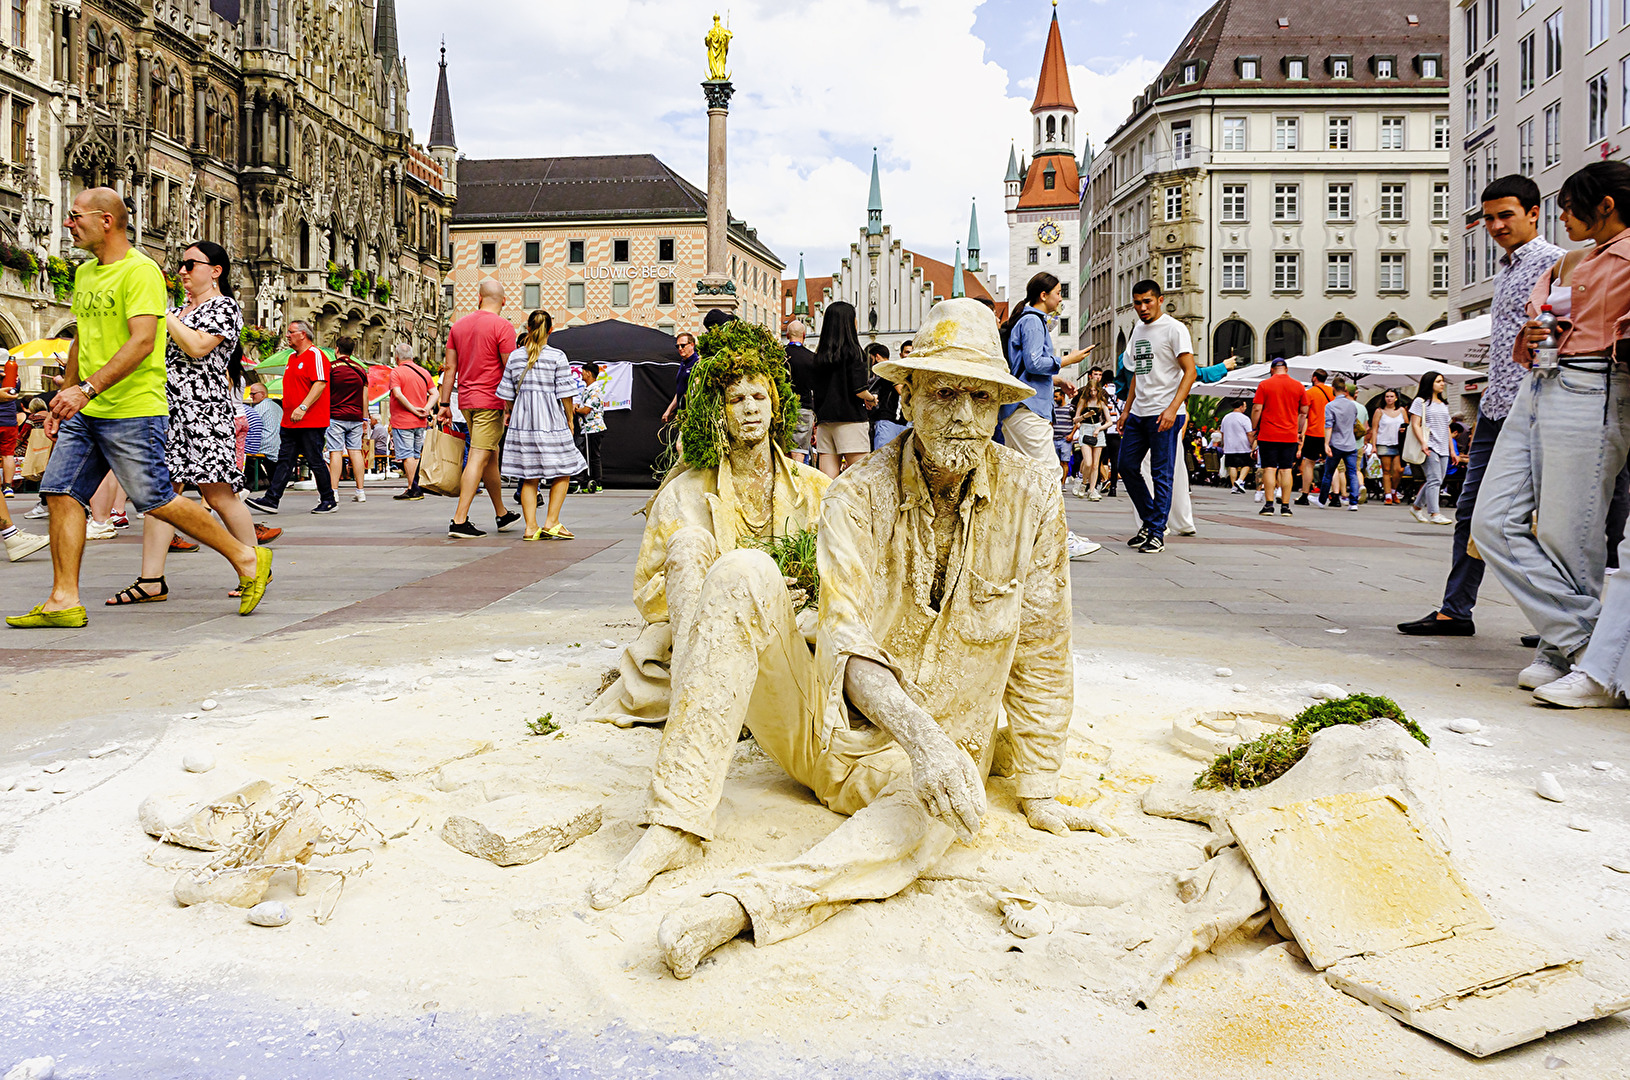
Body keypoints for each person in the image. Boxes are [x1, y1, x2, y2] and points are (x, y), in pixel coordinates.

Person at [587, 298, 1112, 979]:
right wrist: (918, 736)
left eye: (982, 400)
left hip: (939, 765)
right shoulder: (856, 493)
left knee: (940, 813)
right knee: (742, 571)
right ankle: (677, 822)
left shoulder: (1033, 492)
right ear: (909, 394)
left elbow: (1043, 642)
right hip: (829, 736)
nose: (962, 417)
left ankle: (746, 906)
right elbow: (843, 635)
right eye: (945, 393)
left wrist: (1037, 783)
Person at [8, 188, 270, 629]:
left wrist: (85, 389)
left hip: (133, 406)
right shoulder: (86, 274)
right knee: (58, 493)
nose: (69, 224)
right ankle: (63, 599)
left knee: (160, 499)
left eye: (76, 216)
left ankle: (246, 556)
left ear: (106, 221)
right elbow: (82, 341)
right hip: (91, 407)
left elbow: (144, 342)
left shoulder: (142, 272)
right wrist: (64, 396)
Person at [585, 321, 829, 730]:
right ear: (718, 411)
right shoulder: (683, 493)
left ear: (776, 405)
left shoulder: (816, 488)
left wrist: (792, 589)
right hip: (708, 632)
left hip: (793, 629)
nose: (750, 409)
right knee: (689, 546)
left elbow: (841, 575)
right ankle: (702, 701)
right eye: (736, 399)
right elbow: (649, 594)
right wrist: (728, 582)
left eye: (758, 396)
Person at [1475, 161, 1630, 704]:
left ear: (1605, 205)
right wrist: (1531, 337)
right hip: (1537, 383)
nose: (1561, 217)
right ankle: (1586, 647)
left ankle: (1566, 652)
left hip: (1594, 385)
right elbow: (1534, 328)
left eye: (1569, 206)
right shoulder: (1566, 261)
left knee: (1571, 533)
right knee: (1491, 520)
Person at [104, 239, 263, 606]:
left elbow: (196, 347)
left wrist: (164, 314)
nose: (182, 271)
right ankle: (151, 579)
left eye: (190, 265)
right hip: (167, 407)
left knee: (218, 493)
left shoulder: (224, 307)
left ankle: (253, 566)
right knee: (162, 494)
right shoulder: (178, 309)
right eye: (181, 265)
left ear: (215, 270)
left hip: (204, 409)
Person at [1117, 280, 1197, 553]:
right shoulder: (1138, 329)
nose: (1142, 308)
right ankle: (1152, 521)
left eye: (1147, 301)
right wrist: (1126, 409)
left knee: (1161, 473)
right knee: (1126, 466)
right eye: (1137, 303)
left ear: (1159, 300)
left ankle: (1156, 534)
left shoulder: (1175, 329)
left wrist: (1173, 409)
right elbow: (1138, 374)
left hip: (1165, 411)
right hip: (1139, 412)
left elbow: (1190, 372)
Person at [439, 279, 520, 538]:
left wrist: (443, 404)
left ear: (479, 297)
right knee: (478, 456)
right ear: (504, 301)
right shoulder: (503, 326)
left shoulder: (458, 326)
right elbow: (511, 368)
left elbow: (450, 368)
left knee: (490, 456)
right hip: (490, 400)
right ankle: (459, 519)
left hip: (466, 401)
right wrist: (514, 403)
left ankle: (501, 513)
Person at [497, 310, 584, 541]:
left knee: (529, 475)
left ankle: (530, 527)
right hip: (550, 420)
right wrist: (570, 419)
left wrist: (514, 411)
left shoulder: (515, 356)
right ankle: (551, 521)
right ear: (551, 330)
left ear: (528, 329)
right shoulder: (557, 356)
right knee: (564, 470)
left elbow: (506, 394)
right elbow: (566, 394)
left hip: (523, 422)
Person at [246, 321, 336, 515]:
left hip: (310, 420)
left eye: (291, 332)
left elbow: (320, 383)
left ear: (303, 334)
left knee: (314, 459)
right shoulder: (293, 359)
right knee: (285, 460)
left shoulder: (315, 355)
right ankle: (272, 499)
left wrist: (303, 407)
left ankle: (328, 498)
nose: (287, 336)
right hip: (290, 420)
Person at [1000, 273, 1091, 461]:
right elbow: (1034, 363)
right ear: (1043, 295)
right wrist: (1068, 359)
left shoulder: (1027, 319)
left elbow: (1026, 367)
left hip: (1019, 409)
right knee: (1048, 471)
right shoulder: (1033, 321)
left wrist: (1057, 381)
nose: (1060, 298)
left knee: (1021, 476)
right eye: (1058, 293)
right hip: (1028, 409)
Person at [812, 300, 875, 476]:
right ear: (849, 323)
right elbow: (859, 390)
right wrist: (871, 399)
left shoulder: (820, 356)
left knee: (827, 481)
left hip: (826, 421)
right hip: (851, 420)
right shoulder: (854, 352)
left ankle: (827, 505)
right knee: (859, 478)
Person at [1251, 358, 1310, 517]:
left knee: (1269, 468)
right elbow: (1304, 411)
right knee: (1286, 469)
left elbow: (1257, 408)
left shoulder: (1264, 385)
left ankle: (1269, 505)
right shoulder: (1298, 386)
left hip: (1268, 433)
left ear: (1271, 370)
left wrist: (1254, 427)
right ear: (1286, 369)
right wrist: (1298, 429)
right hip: (1289, 435)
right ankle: (1285, 507)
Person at [324, 336, 370, 504]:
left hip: (335, 415)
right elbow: (365, 396)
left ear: (337, 349)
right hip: (356, 416)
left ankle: (334, 491)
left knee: (335, 452)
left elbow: (324, 391)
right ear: (352, 351)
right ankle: (360, 491)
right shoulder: (360, 370)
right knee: (355, 452)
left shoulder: (331, 368)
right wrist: (365, 417)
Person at [388, 342, 436, 500]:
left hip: (403, 420)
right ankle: (415, 485)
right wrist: (426, 408)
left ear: (396, 357)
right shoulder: (423, 372)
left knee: (407, 455)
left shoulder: (396, 372)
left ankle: (413, 487)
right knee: (416, 454)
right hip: (420, 421)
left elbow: (397, 393)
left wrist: (412, 408)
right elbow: (434, 394)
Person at [1408, 373, 1453, 525]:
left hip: (1443, 447)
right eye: (1438, 381)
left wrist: (1452, 450)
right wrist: (1423, 443)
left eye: (1443, 381)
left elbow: (1447, 428)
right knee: (1434, 480)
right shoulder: (1420, 402)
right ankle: (1435, 513)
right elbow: (1415, 424)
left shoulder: (1443, 404)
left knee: (1436, 480)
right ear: (1430, 383)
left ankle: (1416, 507)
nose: (1442, 384)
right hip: (1429, 445)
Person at [1319, 376, 1366, 511]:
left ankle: (1322, 500)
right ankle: (1353, 502)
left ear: (1333, 389)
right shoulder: (1352, 405)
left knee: (1329, 472)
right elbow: (1353, 423)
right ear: (1345, 389)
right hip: (1351, 443)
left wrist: (1326, 443)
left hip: (1336, 443)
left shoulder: (1330, 406)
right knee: (1352, 472)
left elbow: (1329, 425)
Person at [783, 320, 817, 464]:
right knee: (799, 454)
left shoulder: (779, 356)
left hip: (782, 409)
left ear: (787, 335)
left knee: (783, 453)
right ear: (804, 335)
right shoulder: (812, 358)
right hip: (804, 408)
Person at [1072, 377, 1109, 499]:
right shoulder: (1083, 401)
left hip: (1097, 430)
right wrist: (1084, 416)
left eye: (1095, 391)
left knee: (1095, 464)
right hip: (1085, 429)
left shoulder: (1101, 402)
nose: (1093, 393)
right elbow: (1075, 419)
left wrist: (1099, 429)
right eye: (1091, 390)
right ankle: (1082, 482)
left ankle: (1092, 490)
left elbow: (1109, 422)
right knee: (1087, 462)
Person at [867, 343, 910, 449]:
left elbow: (900, 390)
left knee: (882, 458)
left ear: (876, 357)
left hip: (888, 421)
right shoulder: (895, 370)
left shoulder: (889, 370)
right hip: (900, 421)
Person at [1369, 389, 1408, 504]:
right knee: (1386, 471)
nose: (1389, 399)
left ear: (1396, 398)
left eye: (1391, 396)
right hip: (1384, 442)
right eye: (1387, 396)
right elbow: (1374, 429)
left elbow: (1407, 425)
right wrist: (1374, 445)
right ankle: (1388, 496)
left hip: (1398, 443)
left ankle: (1393, 490)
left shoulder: (1401, 411)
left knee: (1399, 470)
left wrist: (1404, 429)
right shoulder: (1379, 411)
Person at [575, 361, 607, 493]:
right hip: (587, 428)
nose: (581, 374)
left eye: (583, 372)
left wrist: (576, 410)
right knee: (587, 455)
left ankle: (597, 482)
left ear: (588, 373)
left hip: (593, 428)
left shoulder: (595, 390)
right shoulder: (588, 389)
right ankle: (587, 480)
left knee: (594, 455)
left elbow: (586, 410)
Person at [660, 332, 699, 425]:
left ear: (692, 345)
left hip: (693, 415)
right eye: (678, 346)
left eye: (683, 345)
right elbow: (680, 391)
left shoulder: (697, 363)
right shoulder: (683, 363)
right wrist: (669, 410)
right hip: (682, 414)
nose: (680, 349)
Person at [1219, 398, 1253, 492]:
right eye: (1245, 406)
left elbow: (1222, 432)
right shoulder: (1244, 418)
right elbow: (1249, 433)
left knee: (1232, 466)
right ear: (1241, 406)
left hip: (1230, 445)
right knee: (1247, 464)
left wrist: (1224, 443)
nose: (1245, 408)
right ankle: (1240, 480)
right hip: (1243, 445)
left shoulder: (1226, 417)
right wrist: (1252, 443)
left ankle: (1234, 486)